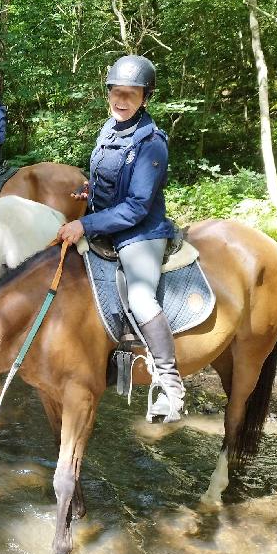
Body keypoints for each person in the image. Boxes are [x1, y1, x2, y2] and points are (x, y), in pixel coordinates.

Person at [56, 55, 184, 422]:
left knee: (141, 297)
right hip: (106, 224)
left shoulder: (152, 142)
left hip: (139, 232)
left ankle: (170, 387)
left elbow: (137, 206)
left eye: (131, 94)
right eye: (116, 92)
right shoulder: (109, 129)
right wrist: (90, 191)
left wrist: (85, 223)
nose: (121, 100)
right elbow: (108, 179)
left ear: (145, 97)